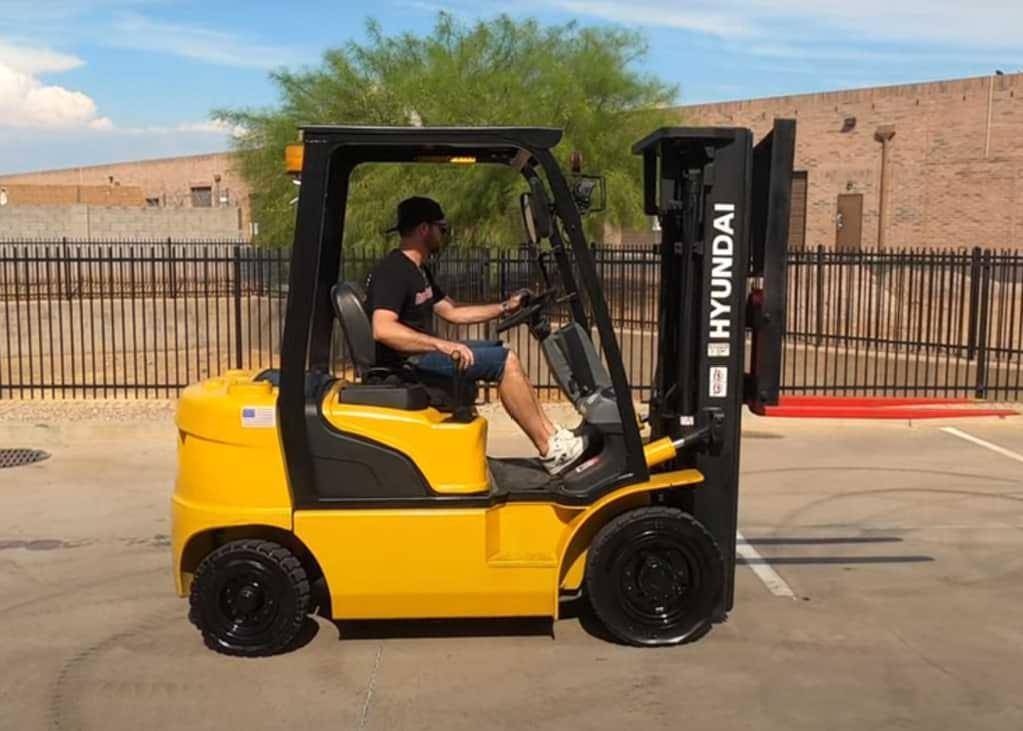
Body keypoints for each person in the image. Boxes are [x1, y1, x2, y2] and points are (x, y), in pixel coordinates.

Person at [365, 196, 586, 475]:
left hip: (420, 357)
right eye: (442, 229)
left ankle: (553, 435)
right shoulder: (393, 271)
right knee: (504, 361)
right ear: (424, 229)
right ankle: (549, 448)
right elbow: (383, 328)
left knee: (502, 350)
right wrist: (441, 345)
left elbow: (453, 311)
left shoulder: (417, 271)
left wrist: (505, 307)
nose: (444, 235)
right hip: (407, 365)